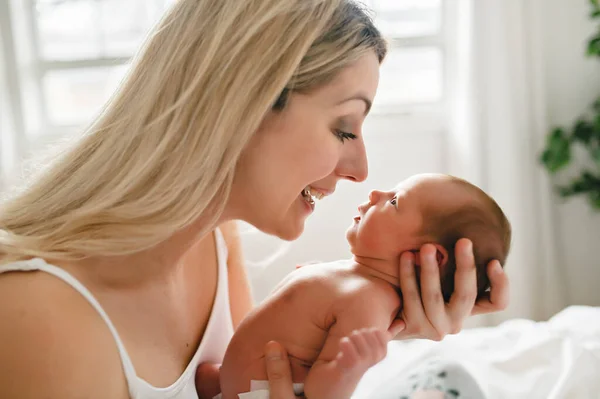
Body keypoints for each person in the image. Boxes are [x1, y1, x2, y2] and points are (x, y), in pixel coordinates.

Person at [0, 1, 509, 399]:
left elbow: (251, 375)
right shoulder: (41, 318)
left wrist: (382, 326)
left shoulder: (215, 241)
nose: (360, 172)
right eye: (343, 128)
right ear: (244, 103)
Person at [198, 173, 511, 399]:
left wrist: (348, 369)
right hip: (229, 376)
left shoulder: (370, 303)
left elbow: (321, 392)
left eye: (395, 201)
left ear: (428, 257)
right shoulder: (358, 277)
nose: (375, 193)